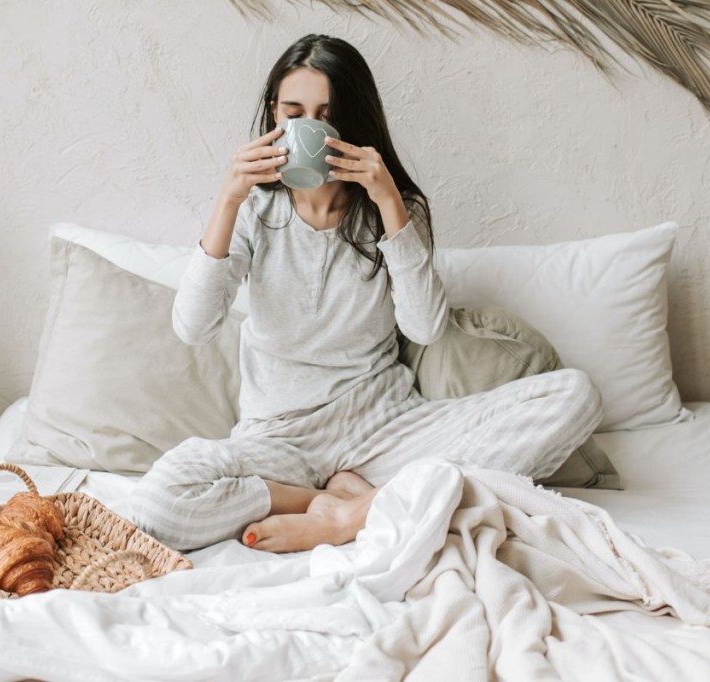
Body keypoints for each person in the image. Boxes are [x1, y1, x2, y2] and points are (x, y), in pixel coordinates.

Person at [128, 34, 602, 553]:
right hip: (280, 438)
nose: (310, 127)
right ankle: (327, 501)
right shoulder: (252, 213)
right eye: (295, 112)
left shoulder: (394, 210)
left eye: (327, 115)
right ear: (275, 118)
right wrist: (227, 199)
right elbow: (193, 327)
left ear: (352, 123)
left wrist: (389, 203)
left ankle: (349, 516)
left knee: (575, 394)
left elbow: (425, 328)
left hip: (385, 426)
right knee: (159, 504)